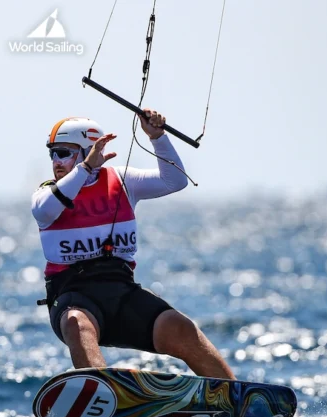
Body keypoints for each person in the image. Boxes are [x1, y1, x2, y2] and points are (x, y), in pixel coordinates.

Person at [31, 111, 235, 379]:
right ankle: (105, 396)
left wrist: (158, 137)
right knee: (77, 324)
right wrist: (85, 169)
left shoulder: (123, 180)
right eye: (53, 154)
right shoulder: (47, 194)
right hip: (72, 297)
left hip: (121, 293)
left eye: (64, 153)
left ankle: (235, 400)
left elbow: (175, 181)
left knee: (180, 327)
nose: (56, 162)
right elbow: (45, 210)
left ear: (88, 151)